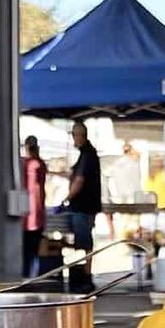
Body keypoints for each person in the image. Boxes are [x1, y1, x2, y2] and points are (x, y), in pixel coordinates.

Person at [66, 123, 101, 292]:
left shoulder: (87, 155)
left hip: (83, 206)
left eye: (74, 135)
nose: (73, 138)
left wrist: (67, 199)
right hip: (87, 206)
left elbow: (79, 180)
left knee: (82, 244)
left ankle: (84, 278)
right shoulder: (87, 154)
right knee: (84, 243)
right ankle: (84, 276)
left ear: (80, 135)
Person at [22, 135, 47, 277]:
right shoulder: (39, 164)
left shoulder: (25, 164)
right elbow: (40, 191)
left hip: (24, 215)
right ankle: (32, 278)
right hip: (36, 214)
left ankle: (26, 277)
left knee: (25, 252)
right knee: (34, 252)